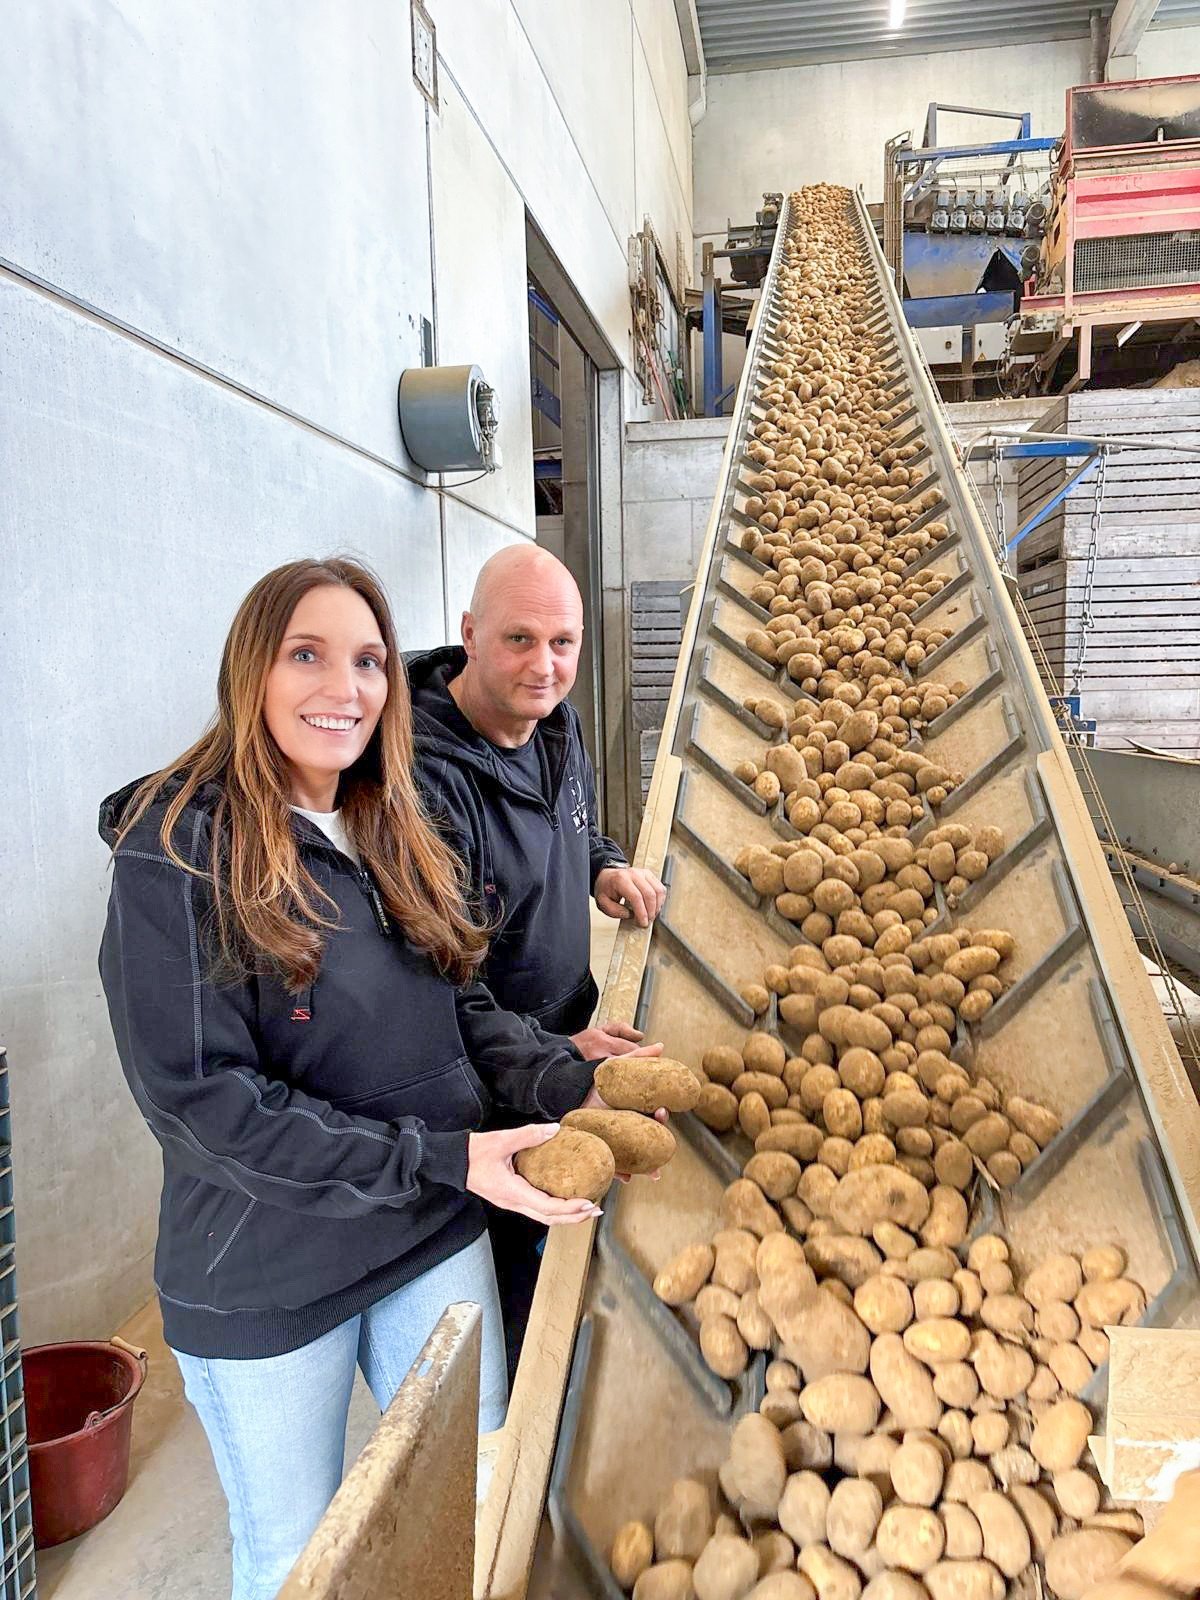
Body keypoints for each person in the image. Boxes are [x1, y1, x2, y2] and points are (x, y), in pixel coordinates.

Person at [98, 556, 660, 1600]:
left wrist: (564, 1085)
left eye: (367, 661)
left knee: (477, 1489)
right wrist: (441, 1156)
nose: (344, 688)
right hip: (273, 1271)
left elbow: (459, 998)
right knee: (297, 1556)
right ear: (251, 670)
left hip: (427, 1230)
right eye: (306, 655)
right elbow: (204, 1106)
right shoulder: (176, 850)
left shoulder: (386, 815)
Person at [407, 543, 667, 1376]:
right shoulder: (424, 786)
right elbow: (442, 994)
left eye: (563, 642)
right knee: (521, 1299)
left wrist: (604, 864)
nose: (544, 665)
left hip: (569, 1027)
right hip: (487, 1081)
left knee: (579, 1249)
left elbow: (575, 821)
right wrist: (555, 1065)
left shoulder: (558, 724)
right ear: (469, 634)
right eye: (519, 639)